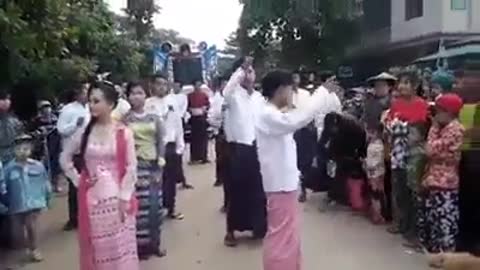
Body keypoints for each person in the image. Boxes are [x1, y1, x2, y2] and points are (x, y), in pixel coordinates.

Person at [60, 81, 139, 270]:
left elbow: (131, 167)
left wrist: (124, 197)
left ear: (110, 104)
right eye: (90, 101)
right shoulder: (85, 132)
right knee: (98, 252)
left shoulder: (123, 133)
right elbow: (65, 158)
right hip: (93, 204)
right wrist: (79, 181)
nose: (91, 105)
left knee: (121, 252)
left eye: (96, 101)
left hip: (119, 204)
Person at [256, 70, 330, 270]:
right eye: (290, 89)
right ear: (280, 90)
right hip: (280, 185)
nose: (291, 94)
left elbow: (295, 118)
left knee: (288, 235)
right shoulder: (268, 114)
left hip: (284, 183)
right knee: (281, 236)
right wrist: (322, 92)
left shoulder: (274, 113)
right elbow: (297, 120)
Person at [222, 57, 267, 246]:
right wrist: (241, 69)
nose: (249, 74)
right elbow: (227, 90)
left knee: (258, 191)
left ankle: (258, 228)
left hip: (258, 148)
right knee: (237, 191)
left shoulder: (259, 98)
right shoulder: (232, 94)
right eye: (245, 71)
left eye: (251, 70)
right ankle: (231, 231)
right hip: (238, 148)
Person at [123, 82, 166, 260]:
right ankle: (138, 248)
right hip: (133, 168)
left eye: (139, 93)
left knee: (155, 208)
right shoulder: (125, 120)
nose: (136, 96)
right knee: (137, 210)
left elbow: (160, 142)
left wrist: (160, 167)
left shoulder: (154, 118)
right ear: (128, 97)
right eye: (132, 93)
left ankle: (155, 245)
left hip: (153, 166)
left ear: (145, 95)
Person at [386, 72, 429, 247]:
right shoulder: (396, 104)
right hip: (398, 151)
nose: (402, 87)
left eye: (406, 83)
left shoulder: (421, 104)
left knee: (414, 191)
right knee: (399, 188)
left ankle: (414, 229)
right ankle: (401, 222)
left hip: (414, 151)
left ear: (415, 85)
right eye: (400, 83)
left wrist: (401, 124)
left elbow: (418, 127)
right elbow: (390, 123)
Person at [418, 93, 464, 253]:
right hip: (432, 180)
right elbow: (429, 148)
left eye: (438, 110)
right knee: (432, 220)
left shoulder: (456, 130)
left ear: (449, 112)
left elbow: (430, 150)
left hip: (446, 184)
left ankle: (447, 257)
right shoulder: (439, 128)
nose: (435, 114)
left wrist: (435, 127)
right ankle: (436, 254)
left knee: (445, 223)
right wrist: (435, 127)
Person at [1, 134, 50, 267]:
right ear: (14, 150)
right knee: (16, 233)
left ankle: (34, 248)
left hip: (34, 203)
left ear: (31, 150)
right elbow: (3, 187)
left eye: (26, 148)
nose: (22, 151)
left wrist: (47, 199)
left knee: (31, 225)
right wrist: (4, 204)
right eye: (19, 149)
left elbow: (45, 183)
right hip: (16, 205)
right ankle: (24, 247)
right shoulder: (8, 169)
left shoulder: (38, 166)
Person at [146, 74, 185, 220]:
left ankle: (171, 208)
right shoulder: (148, 104)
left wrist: (179, 146)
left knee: (170, 180)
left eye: (164, 84)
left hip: (170, 145)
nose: (162, 87)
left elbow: (178, 124)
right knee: (155, 179)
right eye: (158, 84)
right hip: (154, 146)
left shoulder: (172, 102)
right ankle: (156, 208)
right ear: (153, 86)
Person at [57, 81, 90, 231]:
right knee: (74, 186)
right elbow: (60, 130)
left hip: (89, 151)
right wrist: (75, 125)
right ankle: (74, 218)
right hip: (73, 153)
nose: (87, 94)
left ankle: (87, 215)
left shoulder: (90, 109)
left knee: (90, 184)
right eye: (85, 91)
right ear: (77, 93)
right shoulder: (68, 110)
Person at [291, 71, 317, 202]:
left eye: (297, 77)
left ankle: (304, 187)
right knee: (295, 161)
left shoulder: (305, 94)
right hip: (291, 131)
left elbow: (311, 111)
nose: (295, 80)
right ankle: (299, 187)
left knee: (306, 160)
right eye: (293, 78)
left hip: (305, 130)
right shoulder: (286, 95)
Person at [170, 83, 193, 189]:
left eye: (177, 86)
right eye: (174, 86)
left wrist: (180, 116)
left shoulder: (183, 97)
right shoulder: (169, 98)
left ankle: (181, 180)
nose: (175, 88)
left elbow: (184, 108)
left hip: (179, 120)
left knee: (177, 155)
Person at [208, 77, 228, 187]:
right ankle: (219, 178)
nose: (226, 87)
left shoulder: (232, 97)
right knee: (220, 157)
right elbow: (211, 117)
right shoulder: (215, 100)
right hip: (220, 131)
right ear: (220, 86)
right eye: (224, 84)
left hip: (233, 133)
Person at [365, 124, 386, 224]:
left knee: (376, 193)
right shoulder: (373, 143)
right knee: (376, 193)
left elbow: (378, 160)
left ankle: (377, 215)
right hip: (373, 171)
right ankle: (377, 213)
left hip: (376, 172)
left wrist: (369, 165)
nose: (369, 134)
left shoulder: (378, 145)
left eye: (371, 132)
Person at [187, 80, 210, 164]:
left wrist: (205, 108)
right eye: (196, 85)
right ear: (193, 86)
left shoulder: (204, 95)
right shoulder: (190, 96)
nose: (198, 87)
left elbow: (208, 105)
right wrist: (190, 110)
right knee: (194, 139)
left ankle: (204, 157)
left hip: (202, 117)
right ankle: (194, 157)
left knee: (203, 138)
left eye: (199, 85)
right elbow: (187, 106)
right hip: (194, 118)